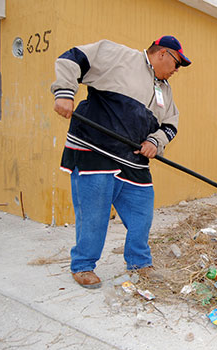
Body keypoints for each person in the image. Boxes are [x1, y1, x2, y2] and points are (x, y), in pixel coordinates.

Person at [51, 36, 191, 289]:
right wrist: (64, 92)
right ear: (163, 54)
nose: (176, 70)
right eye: (176, 63)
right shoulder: (117, 55)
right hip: (95, 150)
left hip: (133, 161)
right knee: (94, 215)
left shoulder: (165, 90)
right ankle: (83, 265)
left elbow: (171, 125)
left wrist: (154, 142)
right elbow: (71, 58)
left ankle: (139, 261)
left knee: (142, 215)